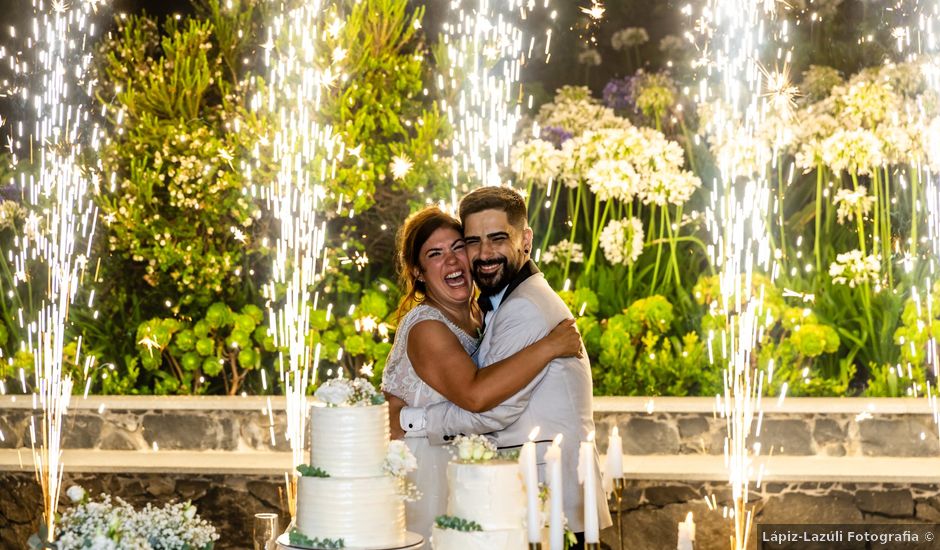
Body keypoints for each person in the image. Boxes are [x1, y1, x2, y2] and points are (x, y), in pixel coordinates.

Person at [399, 187, 612, 548]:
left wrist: (415, 421)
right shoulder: (498, 305)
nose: (483, 254)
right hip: (520, 495)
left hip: (549, 497)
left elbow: (491, 408)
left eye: (498, 238)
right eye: (473, 241)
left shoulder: (523, 307)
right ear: (418, 270)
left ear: (524, 240)